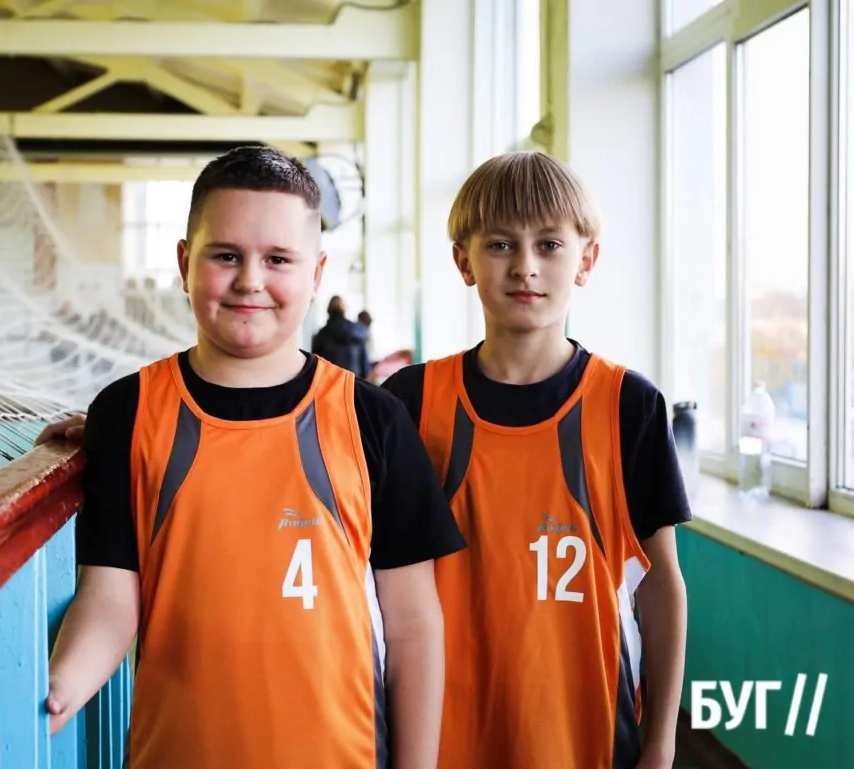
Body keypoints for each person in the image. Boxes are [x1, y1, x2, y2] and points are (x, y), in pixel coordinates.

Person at [37, 146, 465, 769]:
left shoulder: (371, 420)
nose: (250, 281)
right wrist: (59, 690)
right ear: (184, 263)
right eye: (226, 255)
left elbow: (414, 626)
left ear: (316, 274)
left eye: (278, 260)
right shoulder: (129, 412)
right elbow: (109, 598)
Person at [381, 151, 690, 769]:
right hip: (440, 736)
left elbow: (660, 584)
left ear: (586, 260)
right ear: (464, 261)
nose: (525, 267)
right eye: (500, 245)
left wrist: (661, 743)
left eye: (549, 245)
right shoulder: (409, 403)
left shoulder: (628, 404)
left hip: (583, 733)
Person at [311, 295, 371, 377]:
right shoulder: (357, 332)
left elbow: (315, 367)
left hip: (330, 381)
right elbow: (365, 366)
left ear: (328, 310)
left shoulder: (321, 335)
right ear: (344, 310)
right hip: (353, 381)